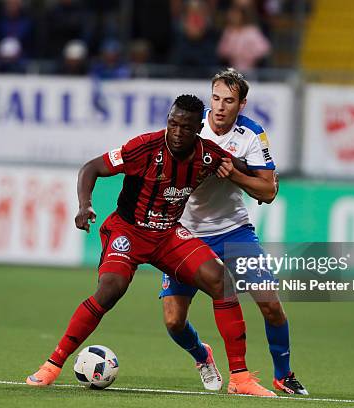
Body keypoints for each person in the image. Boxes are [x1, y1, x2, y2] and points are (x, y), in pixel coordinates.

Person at [25, 94, 276, 397]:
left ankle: (241, 377)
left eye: (186, 127)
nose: (177, 132)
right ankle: (52, 364)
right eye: (173, 123)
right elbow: (91, 168)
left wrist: (255, 183)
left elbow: (255, 178)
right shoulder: (143, 147)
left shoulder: (208, 154)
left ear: (199, 128)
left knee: (221, 282)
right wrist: (84, 206)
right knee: (110, 290)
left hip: (168, 235)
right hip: (128, 232)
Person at [159, 69, 308, 395]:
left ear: (242, 104)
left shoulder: (251, 135)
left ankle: (283, 374)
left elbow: (267, 191)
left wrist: (233, 174)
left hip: (233, 231)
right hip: (185, 233)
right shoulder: (190, 129)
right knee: (173, 321)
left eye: (229, 100)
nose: (221, 107)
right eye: (216, 99)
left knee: (270, 304)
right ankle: (202, 354)